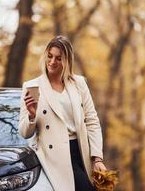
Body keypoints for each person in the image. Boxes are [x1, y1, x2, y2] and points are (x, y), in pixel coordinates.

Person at [19, 35, 107, 191]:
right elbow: (24, 133)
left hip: (80, 150)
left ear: (67, 61)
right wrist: (32, 115)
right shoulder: (32, 86)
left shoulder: (78, 83)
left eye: (59, 58)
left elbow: (92, 121)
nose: (52, 62)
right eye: (50, 56)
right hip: (54, 157)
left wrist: (97, 158)